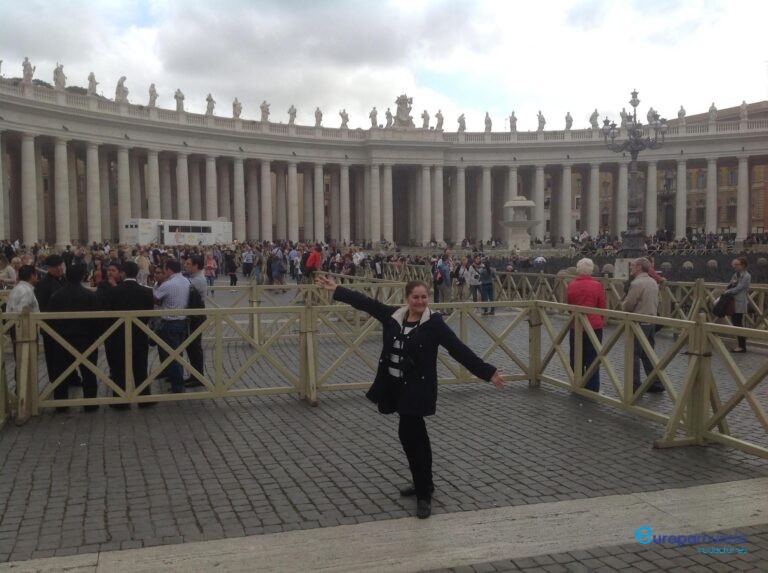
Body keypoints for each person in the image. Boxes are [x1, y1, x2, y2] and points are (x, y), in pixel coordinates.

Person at [315, 275, 504, 519]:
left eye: (424, 297)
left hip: (418, 389)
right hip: (396, 387)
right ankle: (425, 483)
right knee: (419, 437)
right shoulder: (394, 316)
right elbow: (366, 303)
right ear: (407, 299)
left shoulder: (434, 324)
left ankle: (424, 494)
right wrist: (337, 289)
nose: (420, 301)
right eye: (416, 297)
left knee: (410, 437)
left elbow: (459, 350)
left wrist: (487, 372)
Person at [100, 261, 156, 408]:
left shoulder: (114, 291)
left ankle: (120, 400)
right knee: (140, 365)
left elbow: (108, 312)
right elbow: (149, 311)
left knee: (119, 367)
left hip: (118, 334)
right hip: (140, 333)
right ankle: (144, 398)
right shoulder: (146, 291)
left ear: (123, 273)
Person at [47, 264, 101, 412]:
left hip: (62, 339)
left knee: (61, 373)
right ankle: (90, 403)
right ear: (83, 276)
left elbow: (50, 320)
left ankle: (61, 404)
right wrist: (95, 338)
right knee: (88, 372)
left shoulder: (56, 296)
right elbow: (97, 320)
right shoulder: (90, 295)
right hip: (86, 339)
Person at [621, 258, 663, 393]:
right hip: (651, 321)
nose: (630, 268)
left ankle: (634, 385)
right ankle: (656, 382)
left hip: (638, 323)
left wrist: (622, 305)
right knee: (648, 353)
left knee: (634, 354)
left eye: (632, 266)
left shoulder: (637, 283)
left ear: (639, 267)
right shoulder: (653, 281)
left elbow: (628, 305)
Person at [566, 258, 606, 392]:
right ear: (591, 270)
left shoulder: (571, 285)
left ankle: (577, 384)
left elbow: (569, 307)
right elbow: (601, 306)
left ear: (578, 269)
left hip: (576, 325)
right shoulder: (597, 285)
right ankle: (592, 388)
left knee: (576, 357)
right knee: (593, 359)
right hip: (594, 326)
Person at [154, 259, 190, 393]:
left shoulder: (168, 284)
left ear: (169, 270)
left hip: (170, 323)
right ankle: (178, 381)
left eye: (164, 269)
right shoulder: (186, 281)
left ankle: (178, 386)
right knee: (178, 354)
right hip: (183, 321)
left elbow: (155, 298)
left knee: (172, 356)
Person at [184, 255, 207, 387]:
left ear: (196, 265)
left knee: (195, 346)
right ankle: (194, 374)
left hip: (197, 316)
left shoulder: (198, 280)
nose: (185, 265)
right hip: (194, 315)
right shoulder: (192, 278)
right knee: (191, 346)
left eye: (188, 264)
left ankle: (198, 376)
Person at [724, 256, 751, 353]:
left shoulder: (747, 276)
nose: (735, 266)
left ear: (743, 265)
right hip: (733, 302)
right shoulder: (736, 274)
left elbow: (739, 288)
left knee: (738, 324)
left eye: (737, 264)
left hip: (739, 302)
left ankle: (742, 346)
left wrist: (728, 292)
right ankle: (740, 345)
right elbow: (731, 284)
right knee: (735, 323)